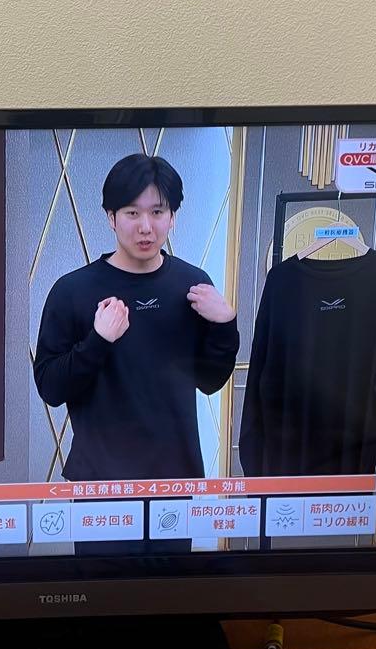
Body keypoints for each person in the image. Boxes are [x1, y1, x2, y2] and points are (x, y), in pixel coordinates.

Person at [33, 153, 240, 552]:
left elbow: (211, 381)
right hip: (101, 485)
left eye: (157, 212)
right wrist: (98, 340)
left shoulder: (193, 285)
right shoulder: (72, 291)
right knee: (100, 589)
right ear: (111, 217)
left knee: (169, 589)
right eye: (132, 213)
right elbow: (51, 388)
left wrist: (225, 324)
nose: (146, 226)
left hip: (173, 482)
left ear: (172, 217)